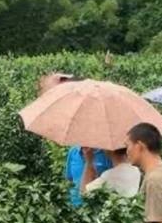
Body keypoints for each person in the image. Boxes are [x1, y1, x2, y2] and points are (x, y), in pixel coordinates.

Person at [37, 72, 113, 206]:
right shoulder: (73, 152)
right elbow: (70, 181)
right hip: (76, 216)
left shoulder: (107, 153)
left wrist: (90, 162)